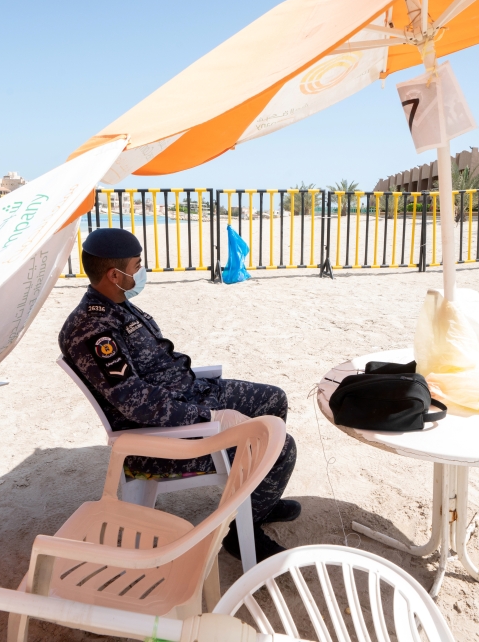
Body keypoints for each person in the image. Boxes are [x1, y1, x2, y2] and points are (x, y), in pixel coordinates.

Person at [58, 227, 299, 562]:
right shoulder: (92, 330)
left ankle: (258, 499)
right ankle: (242, 535)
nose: (141, 271)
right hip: (163, 438)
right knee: (281, 447)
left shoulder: (116, 303)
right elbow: (138, 405)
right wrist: (211, 419)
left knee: (275, 399)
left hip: (189, 397)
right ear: (115, 274)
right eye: (137, 264)